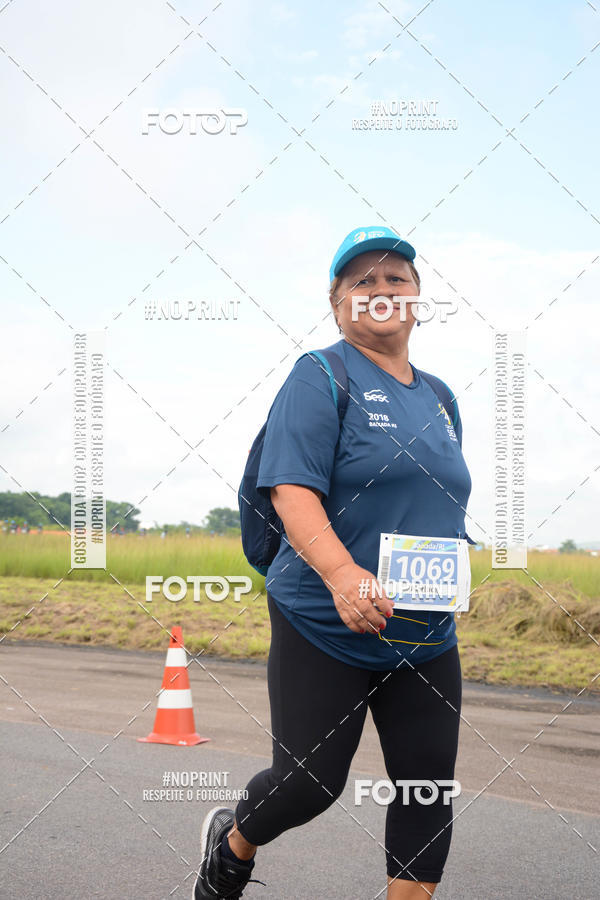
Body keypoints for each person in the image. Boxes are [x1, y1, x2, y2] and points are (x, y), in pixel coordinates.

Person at [193, 225, 472, 899]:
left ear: (417, 296)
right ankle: (232, 843)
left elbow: (438, 496)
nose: (381, 290)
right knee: (310, 784)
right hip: (324, 619)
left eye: (395, 278)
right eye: (363, 281)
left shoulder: (439, 396)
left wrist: (456, 567)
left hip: (423, 630)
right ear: (338, 301)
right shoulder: (320, 376)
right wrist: (345, 576)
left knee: (427, 782)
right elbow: (292, 490)